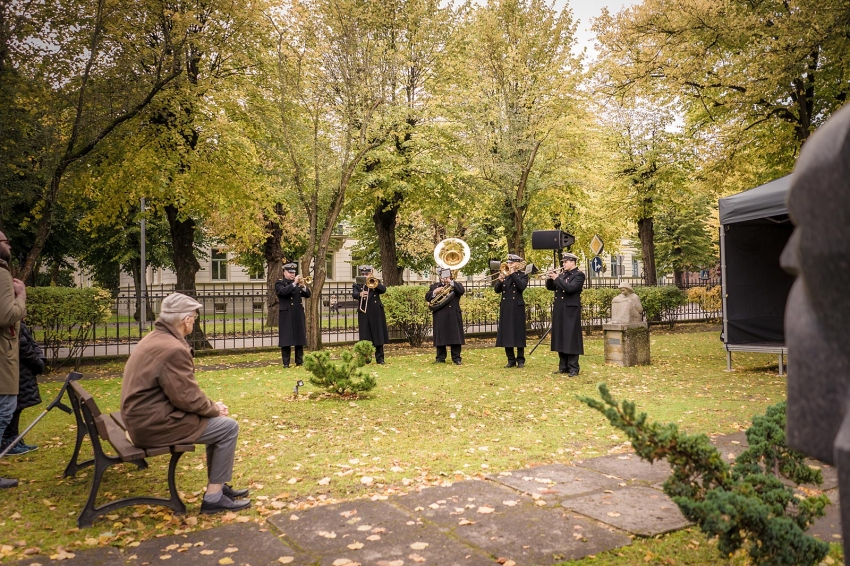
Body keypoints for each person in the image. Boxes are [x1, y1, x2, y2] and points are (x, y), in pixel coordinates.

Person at [120, 293, 250, 514]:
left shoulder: (155, 338)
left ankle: (218, 487)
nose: (195, 320)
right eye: (194, 316)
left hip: (143, 419)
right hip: (154, 425)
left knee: (218, 425)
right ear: (186, 320)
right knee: (228, 427)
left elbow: (181, 394)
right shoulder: (173, 349)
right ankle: (214, 497)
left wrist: (211, 408)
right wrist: (214, 409)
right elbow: (186, 397)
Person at [0, 230, 26, 488]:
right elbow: (7, 315)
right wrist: (21, 295)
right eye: (5, 241)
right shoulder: (2, 274)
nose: (9, 245)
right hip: (2, 356)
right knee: (4, 410)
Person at [1, 321, 43, 455]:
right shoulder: (10, 323)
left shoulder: (17, 323)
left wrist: (39, 358)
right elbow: (24, 346)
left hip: (21, 372)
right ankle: (8, 441)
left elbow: (29, 342)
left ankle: (14, 439)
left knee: (17, 406)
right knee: (12, 407)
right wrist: (38, 362)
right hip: (18, 371)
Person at [545, 251, 585, 376]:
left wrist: (557, 278)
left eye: (566, 262)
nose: (564, 264)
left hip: (570, 310)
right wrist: (550, 277)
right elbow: (551, 287)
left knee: (570, 337)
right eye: (563, 262)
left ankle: (573, 367)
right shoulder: (562, 274)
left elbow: (571, 288)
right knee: (560, 336)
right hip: (560, 309)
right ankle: (563, 366)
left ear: (573, 262)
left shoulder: (579, 275)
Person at [494, 254, 528, 368]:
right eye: (508, 263)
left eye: (512, 263)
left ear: (518, 263)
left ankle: (520, 359)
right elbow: (497, 290)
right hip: (506, 307)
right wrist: (499, 281)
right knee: (506, 333)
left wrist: (513, 273)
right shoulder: (506, 275)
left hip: (517, 307)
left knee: (518, 333)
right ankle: (510, 359)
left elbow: (521, 286)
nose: (509, 264)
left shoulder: (523, 275)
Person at [425, 268, 465, 365]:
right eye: (442, 275)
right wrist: (435, 292)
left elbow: (461, 291)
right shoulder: (434, 286)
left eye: (447, 275)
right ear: (440, 276)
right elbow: (428, 297)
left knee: (455, 337)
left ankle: (456, 358)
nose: (444, 277)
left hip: (453, 314)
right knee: (440, 337)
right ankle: (440, 358)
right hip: (440, 314)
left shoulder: (456, 285)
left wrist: (450, 282)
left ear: (450, 276)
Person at [275, 263, 311, 368]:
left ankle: (299, 361)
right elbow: (283, 292)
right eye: (290, 272)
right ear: (284, 272)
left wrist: (303, 286)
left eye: (293, 272)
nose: (292, 274)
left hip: (297, 313)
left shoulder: (298, 284)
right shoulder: (280, 283)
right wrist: (294, 283)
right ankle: (286, 363)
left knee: (299, 337)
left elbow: (308, 295)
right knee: (286, 339)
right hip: (286, 314)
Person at [352, 265, 389, 364]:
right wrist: (360, 294)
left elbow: (383, 290)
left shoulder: (375, 281)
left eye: (367, 273)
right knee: (365, 335)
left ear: (371, 273)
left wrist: (374, 282)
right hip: (364, 312)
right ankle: (366, 358)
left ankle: (380, 358)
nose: (365, 275)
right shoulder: (357, 284)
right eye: (363, 274)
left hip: (376, 311)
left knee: (378, 334)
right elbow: (354, 294)